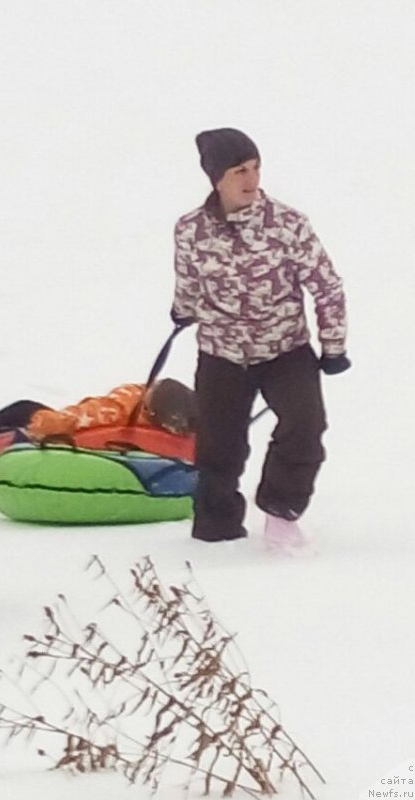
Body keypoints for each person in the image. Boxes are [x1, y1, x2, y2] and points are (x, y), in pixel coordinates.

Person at [171, 127, 349, 545]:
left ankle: (281, 511)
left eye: (254, 168)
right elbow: (188, 284)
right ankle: (216, 527)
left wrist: (334, 345)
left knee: (305, 426)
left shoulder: (287, 224)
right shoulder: (190, 230)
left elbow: (327, 286)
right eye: (239, 171)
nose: (251, 180)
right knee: (219, 448)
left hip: (285, 350)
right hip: (221, 354)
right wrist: (182, 311)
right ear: (216, 177)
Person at [0, 379, 197, 439]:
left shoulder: (117, 409)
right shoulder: (189, 423)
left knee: (22, 409)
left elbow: (69, 421)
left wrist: (36, 427)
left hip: (61, 431)